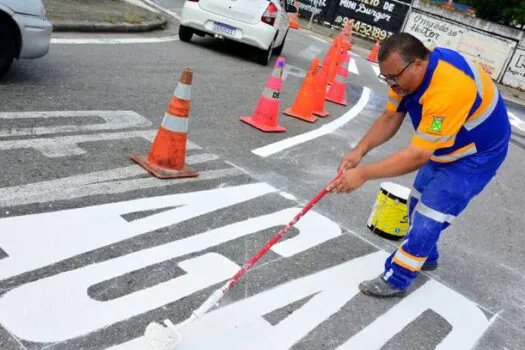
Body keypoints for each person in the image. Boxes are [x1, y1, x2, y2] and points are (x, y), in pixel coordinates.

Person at [326, 33, 511, 298]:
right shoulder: (407, 78)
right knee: (417, 200)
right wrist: (359, 152)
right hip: (446, 142)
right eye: (386, 77)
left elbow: (417, 155)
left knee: (430, 215)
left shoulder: (447, 89)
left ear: (416, 64)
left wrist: (363, 174)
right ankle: (426, 254)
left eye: (394, 77)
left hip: (477, 154)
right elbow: (391, 116)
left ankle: (397, 278)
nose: (391, 84)